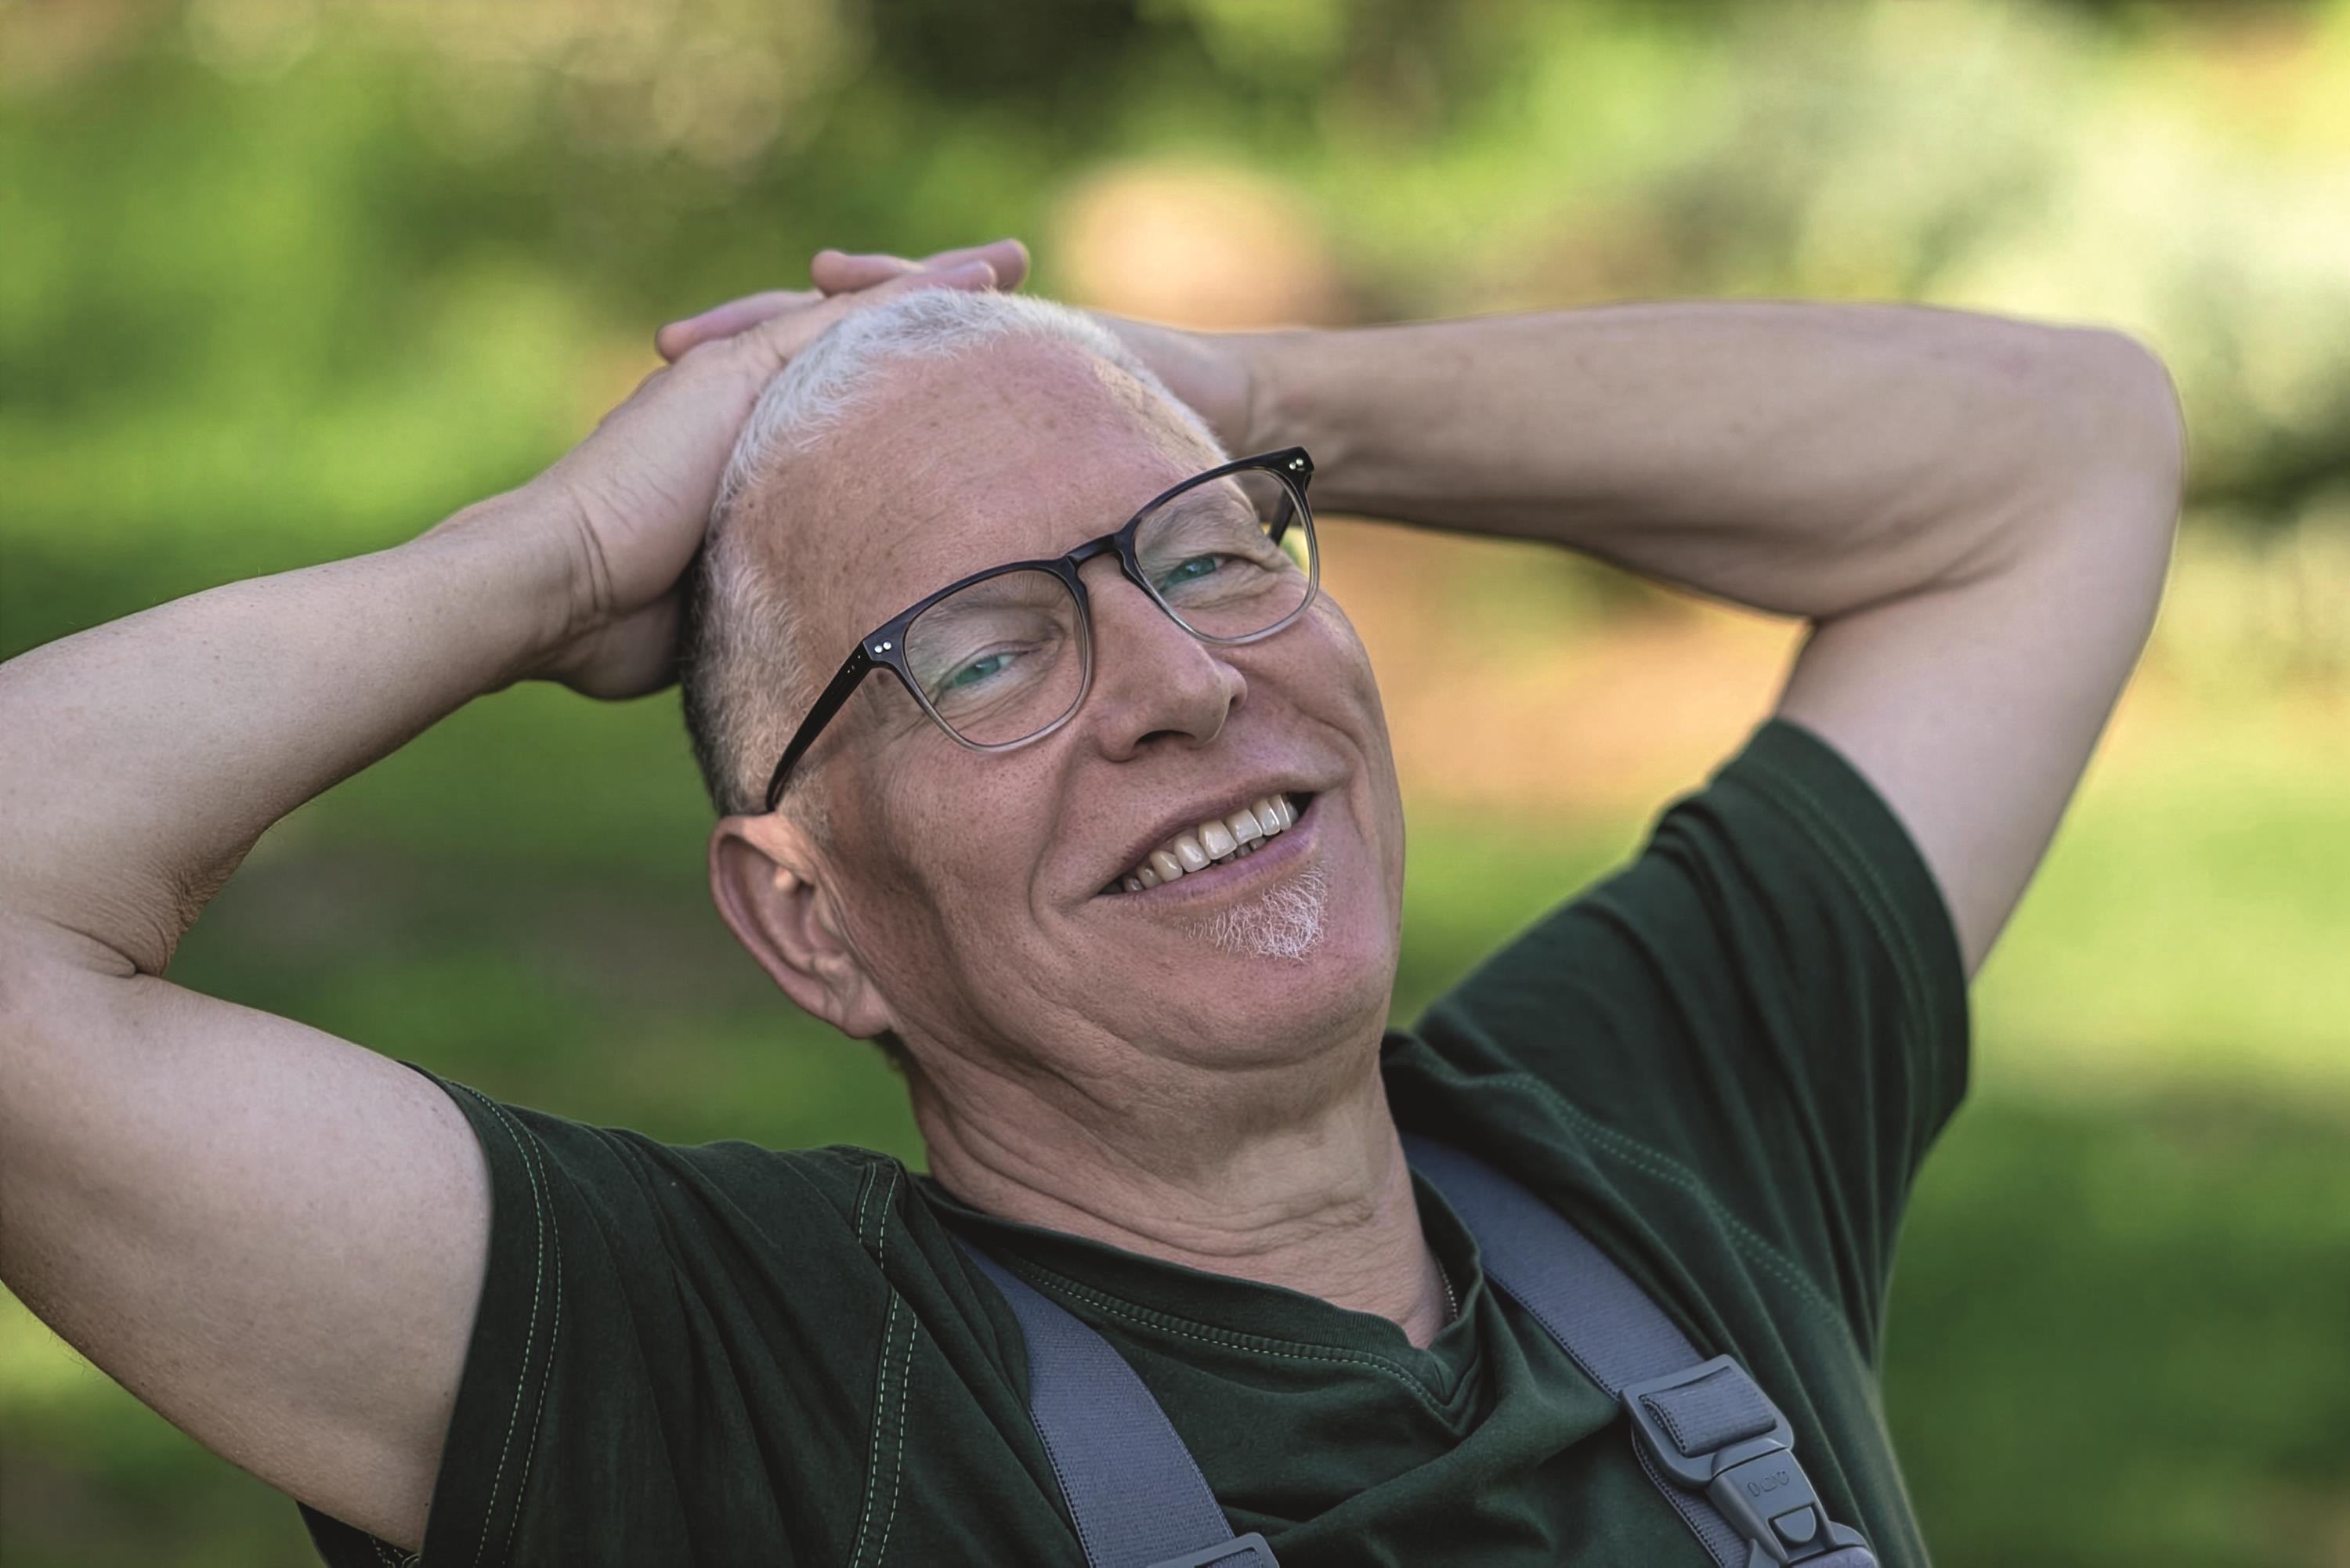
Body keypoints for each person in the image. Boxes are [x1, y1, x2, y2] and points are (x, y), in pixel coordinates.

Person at [0, 235, 2182, 1566]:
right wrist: (546, 560)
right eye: (986, 646)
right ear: (809, 918)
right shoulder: (743, 1397)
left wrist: (1235, 389)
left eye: (1212, 549)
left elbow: (2060, 448)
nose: (1181, 675)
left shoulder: (1653, 1157)